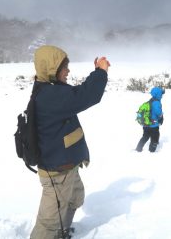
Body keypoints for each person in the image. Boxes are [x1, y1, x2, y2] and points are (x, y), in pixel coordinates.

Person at [30, 45, 110, 239]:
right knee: (49, 221)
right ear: (52, 70)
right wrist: (100, 72)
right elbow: (86, 96)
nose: (68, 71)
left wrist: (95, 73)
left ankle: (61, 231)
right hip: (57, 171)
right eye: (64, 67)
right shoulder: (50, 96)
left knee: (74, 198)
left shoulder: (50, 89)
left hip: (66, 166)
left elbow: (75, 94)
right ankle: (54, 232)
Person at [136, 87, 164, 153]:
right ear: (158, 95)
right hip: (154, 125)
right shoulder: (156, 102)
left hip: (146, 124)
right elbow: (158, 112)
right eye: (161, 94)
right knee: (155, 138)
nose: (162, 95)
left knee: (145, 137)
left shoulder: (150, 101)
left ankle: (138, 148)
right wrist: (161, 115)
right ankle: (152, 151)